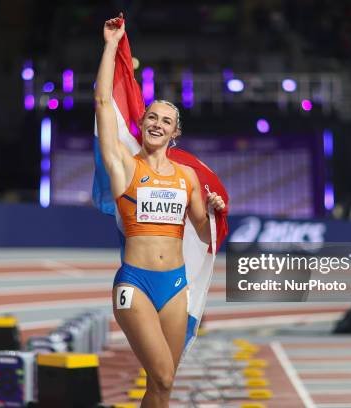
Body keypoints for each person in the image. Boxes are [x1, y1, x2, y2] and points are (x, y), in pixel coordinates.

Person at [94, 13, 226, 408]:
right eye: (152, 116)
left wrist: (214, 212)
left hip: (175, 287)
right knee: (164, 374)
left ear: (174, 133)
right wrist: (111, 45)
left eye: (166, 121)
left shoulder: (187, 177)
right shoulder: (125, 167)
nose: (157, 123)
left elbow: (203, 234)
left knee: (162, 386)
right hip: (134, 284)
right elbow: (103, 102)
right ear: (142, 122)